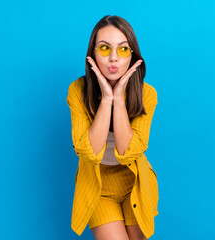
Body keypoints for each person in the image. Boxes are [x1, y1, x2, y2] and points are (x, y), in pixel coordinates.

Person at [66, 15, 159, 240]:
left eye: (123, 49)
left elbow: (129, 153)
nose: (113, 58)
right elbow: (89, 151)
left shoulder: (147, 94)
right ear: (93, 54)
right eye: (105, 48)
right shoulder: (78, 91)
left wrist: (119, 99)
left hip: (135, 182)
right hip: (97, 186)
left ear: (133, 55)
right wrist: (107, 99)